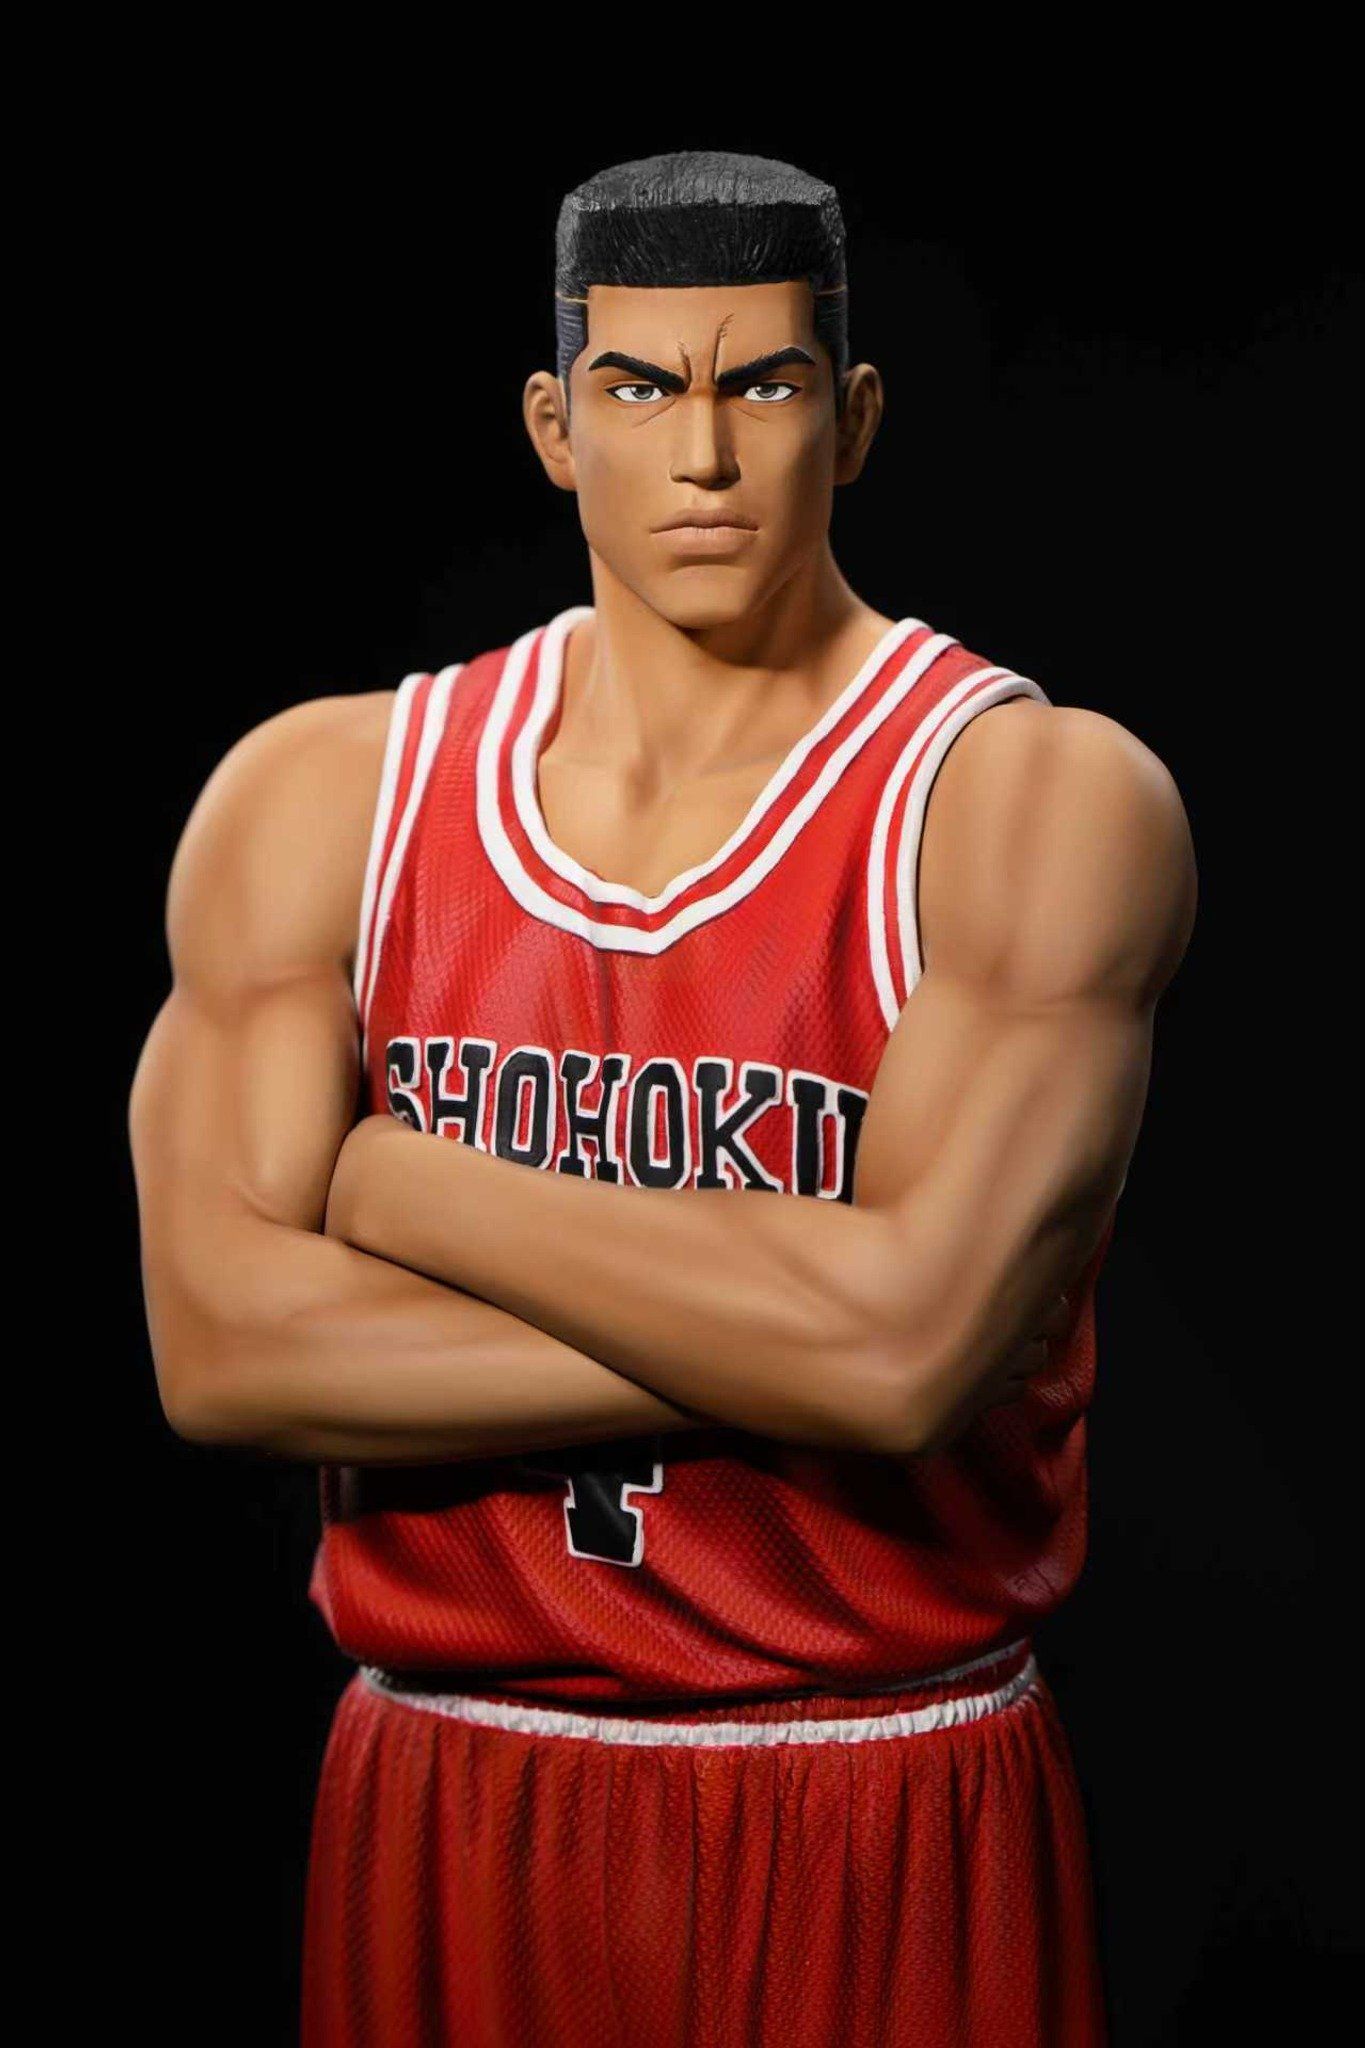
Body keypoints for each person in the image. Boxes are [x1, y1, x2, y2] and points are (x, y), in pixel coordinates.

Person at [129, 151, 1196, 2046]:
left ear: (852, 418)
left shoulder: (1022, 801)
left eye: (760, 384)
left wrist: (390, 1184)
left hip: (873, 1787)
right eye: (637, 388)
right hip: (449, 1792)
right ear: (555, 426)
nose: (701, 455)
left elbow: (897, 1366)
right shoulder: (325, 799)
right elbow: (222, 1352)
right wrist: (796, 1313)